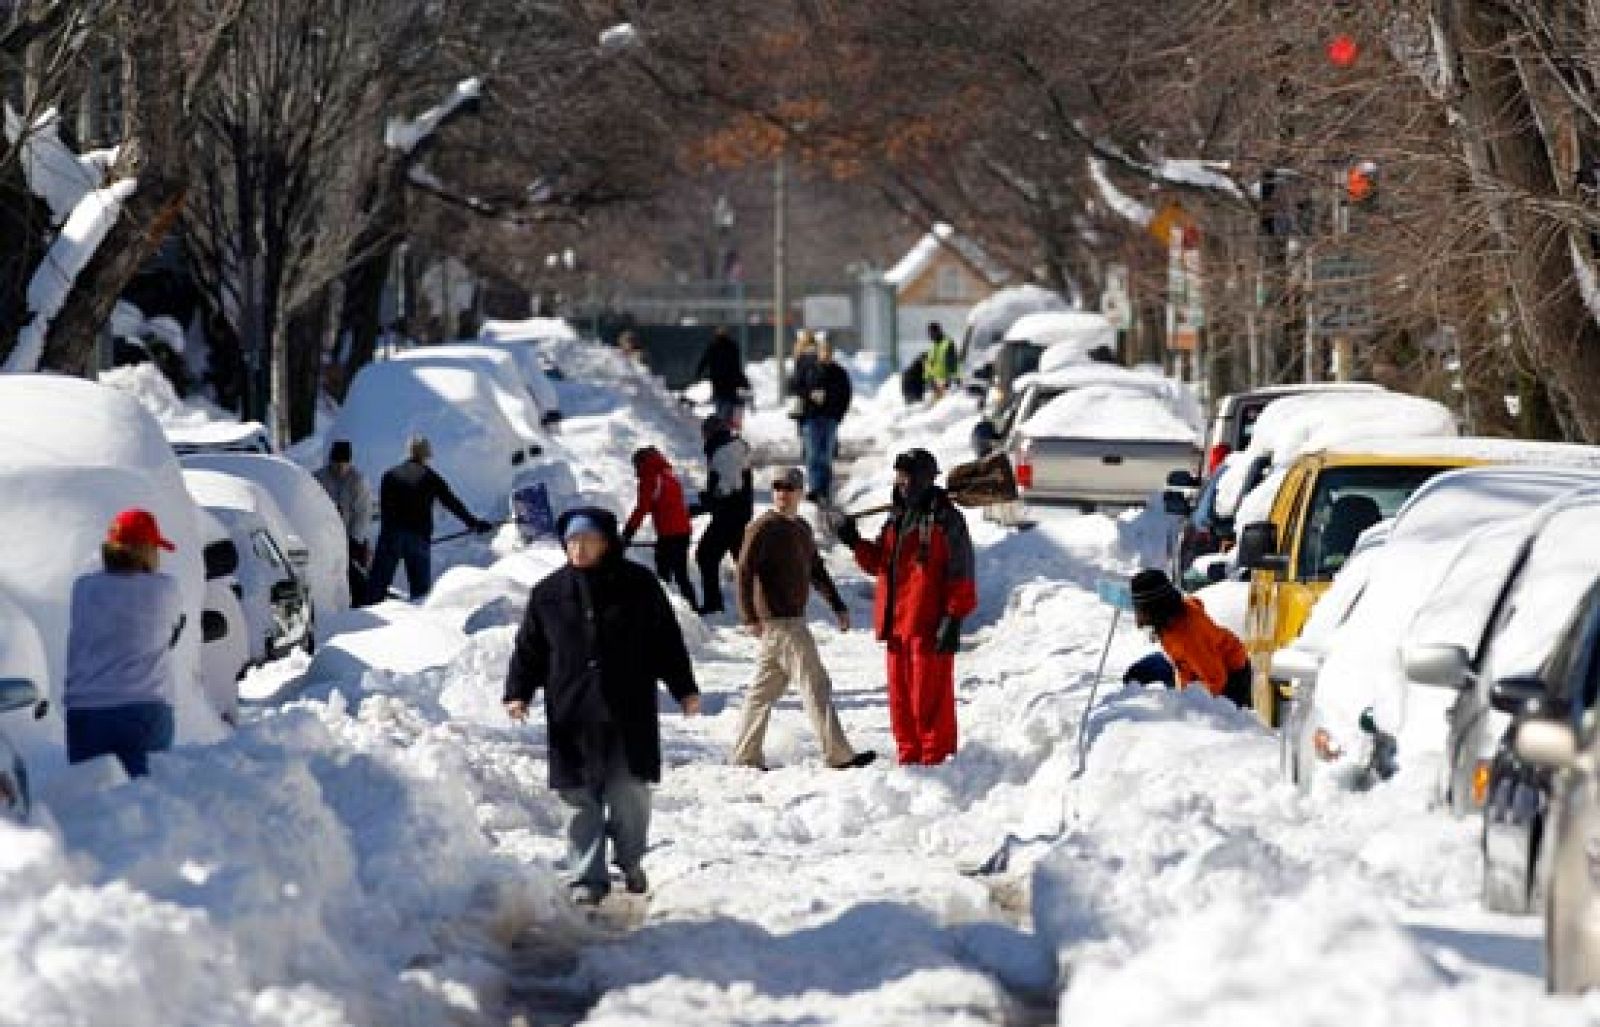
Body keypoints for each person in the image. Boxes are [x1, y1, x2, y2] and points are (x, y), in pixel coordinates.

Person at [504, 508, 701, 906]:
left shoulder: (639, 585)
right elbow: (530, 649)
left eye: (587, 541)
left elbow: (666, 641)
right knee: (578, 797)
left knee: (628, 790)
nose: (578, 549)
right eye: (572, 541)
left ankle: (629, 859)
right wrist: (518, 692)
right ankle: (586, 877)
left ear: (607, 543)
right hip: (571, 711)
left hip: (628, 709)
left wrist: (684, 688)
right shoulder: (548, 594)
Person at [834, 449, 975, 765]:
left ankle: (936, 760)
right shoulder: (896, 519)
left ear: (926, 480)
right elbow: (881, 565)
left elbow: (961, 573)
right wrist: (853, 541)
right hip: (897, 623)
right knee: (900, 700)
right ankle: (908, 756)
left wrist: (953, 618)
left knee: (929, 697)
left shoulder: (947, 520)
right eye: (898, 478)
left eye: (907, 478)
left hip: (929, 624)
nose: (901, 485)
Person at [734, 467, 876, 772]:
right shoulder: (763, 527)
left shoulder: (800, 528)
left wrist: (837, 604)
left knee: (763, 692)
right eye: (777, 488)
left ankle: (745, 755)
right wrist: (749, 615)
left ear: (799, 493)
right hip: (780, 620)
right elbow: (743, 571)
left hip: (791, 619)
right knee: (816, 684)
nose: (782, 493)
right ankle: (838, 754)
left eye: (789, 488)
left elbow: (815, 569)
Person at [63, 509, 187, 777]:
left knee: (92, 799)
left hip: (85, 713)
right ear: (147, 551)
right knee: (142, 802)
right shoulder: (165, 589)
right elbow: (173, 630)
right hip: (144, 708)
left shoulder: (83, 588)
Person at [368, 435, 495, 603]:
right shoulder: (431, 477)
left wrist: (389, 540)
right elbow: (452, 502)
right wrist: (474, 523)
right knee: (420, 592)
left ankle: (363, 617)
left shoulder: (390, 475)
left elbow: (385, 510)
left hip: (391, 535)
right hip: (417, 537)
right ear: (427, 455)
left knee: (377, 586)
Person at [1121, 568, 1252, 708]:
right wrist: (1185, 694)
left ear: (1154, 608)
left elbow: (1216, 680)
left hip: (1229, 677)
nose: (1137, 616)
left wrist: (1193, 710)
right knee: (1137, 673)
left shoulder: (1188, 637)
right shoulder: (1171, 619)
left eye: (1139, 609)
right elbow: (1195, 602)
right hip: (1201, 669)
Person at [622, 446, 698, 609]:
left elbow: (642, 508)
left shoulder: (649, 476)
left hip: (669, 533)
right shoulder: (668, 475)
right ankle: (693, 607)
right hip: (683, 531)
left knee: (663, 574)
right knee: (681, 574)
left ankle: (664, 609)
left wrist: (627, 534)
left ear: (641, 462)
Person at [695, 415, 754, 615]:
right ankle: (762, 602)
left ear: (710, 433)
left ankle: (714, 604)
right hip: (737, 513)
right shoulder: (731, 447)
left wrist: (707, 501)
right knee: (743, 560)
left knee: (706, 555)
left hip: (729, 515)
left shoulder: (723, 451)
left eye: (704, 433)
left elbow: (729, 486)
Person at [314, 438, 374, 606]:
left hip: (350, 537)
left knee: (355, 577)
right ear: (331, 461)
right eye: (336, 464)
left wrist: (355, 538)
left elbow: (363, 512)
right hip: (324, 538)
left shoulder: (357, 480)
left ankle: (358, 605)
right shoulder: (319, 478)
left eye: (344, 464)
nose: (340, 468)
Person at [796, 337, 853, 504]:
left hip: (830, 418)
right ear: (818, 353)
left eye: (829, 352)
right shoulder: (810, 369)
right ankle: (814, 489)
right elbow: (797, 387)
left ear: (832, 354)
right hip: (811, 417)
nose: (826, 354)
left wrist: (838, 415)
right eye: (823, 351)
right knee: (813, 454)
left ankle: (824, 489)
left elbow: (846, 395)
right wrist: (810, 394)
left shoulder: (839, 373)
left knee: (826, 455)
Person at [694, 327, 751, 423]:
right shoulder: (732, 346)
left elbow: (704, 361)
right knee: (729, 401)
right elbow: (736, 364)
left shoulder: (713, 346)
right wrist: (741, 378)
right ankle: (725, 422)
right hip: (730, 380)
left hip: (717, 380)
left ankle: (721, 421)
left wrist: (699, 372)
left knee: (719, 400)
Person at [923, 322, 958, 398]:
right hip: (935, 384)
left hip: (945, 383)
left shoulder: (948, 343)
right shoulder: (933, 346)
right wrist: (929, 380)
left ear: (938, 331)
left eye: (932, 333)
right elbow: (929, 364)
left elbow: (953, 363)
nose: (930, 336)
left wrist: (949, 380)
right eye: (929, 333)